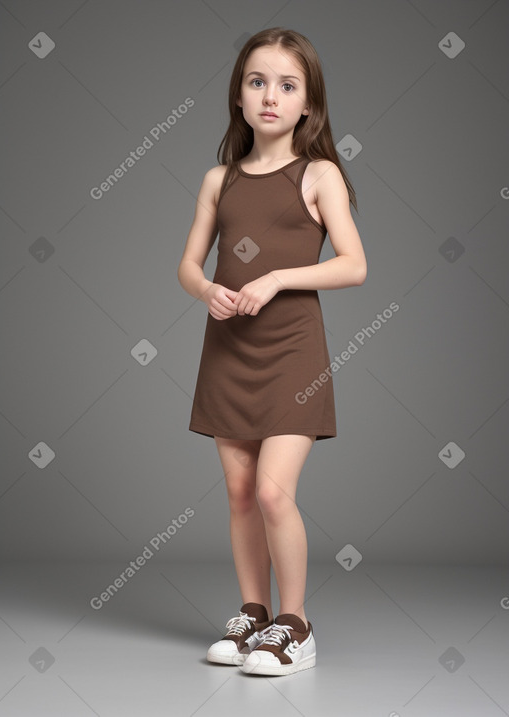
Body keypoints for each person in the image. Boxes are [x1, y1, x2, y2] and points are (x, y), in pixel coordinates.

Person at [177, 26, 367, 676]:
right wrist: (207, 289)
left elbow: (354, 265)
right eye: (257, 81)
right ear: (238, 94)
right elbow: (187, 265)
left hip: (292, 355)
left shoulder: (319, 175)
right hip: (228, 348)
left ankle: (295, 624)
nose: (270, 96)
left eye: (288, 85)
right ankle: (252, 614)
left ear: (308, 102)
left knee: (272, 491)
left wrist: (279, 276)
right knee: (237, 493)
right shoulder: (218, 178)